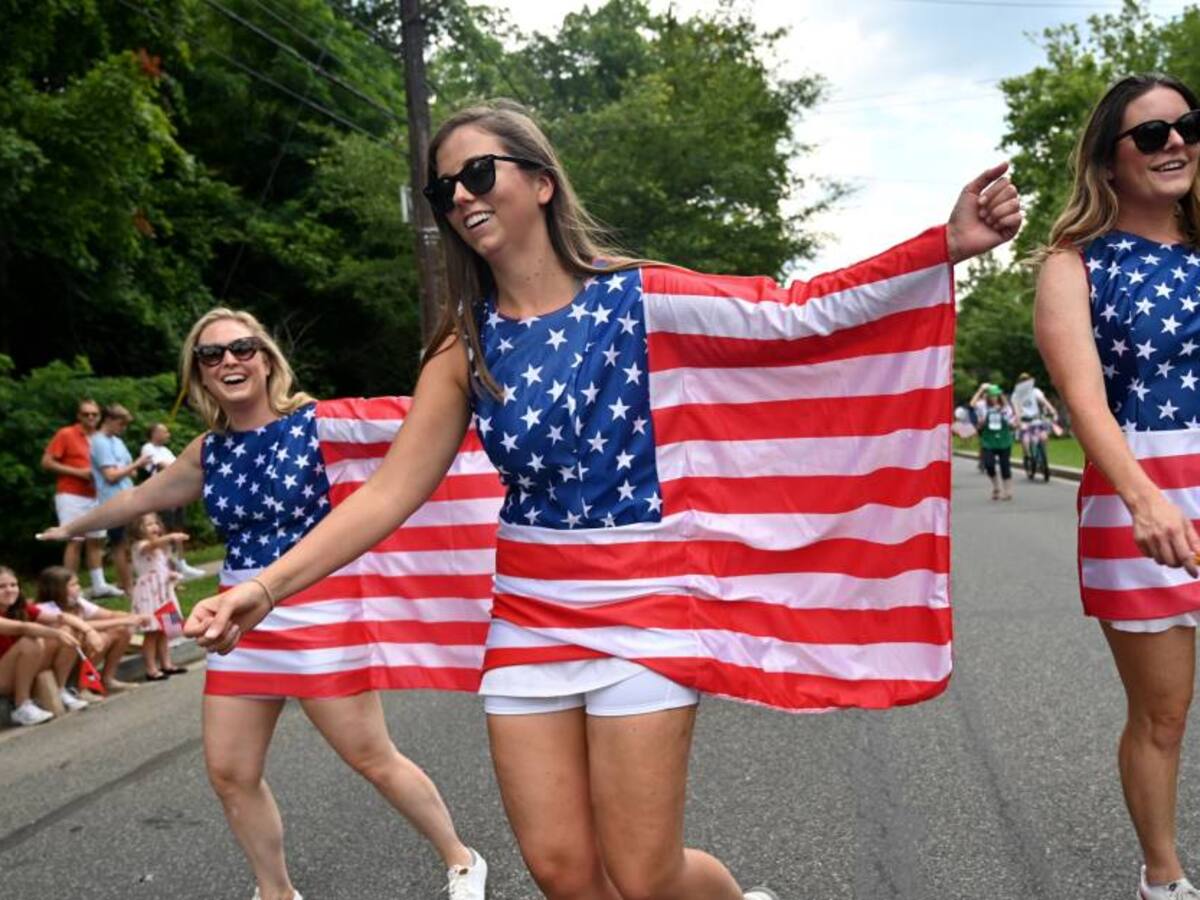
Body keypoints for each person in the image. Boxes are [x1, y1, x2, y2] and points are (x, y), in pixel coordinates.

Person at [184, 100, 1021, 900]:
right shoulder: (463, 343)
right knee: (563, 873)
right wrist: (263, 589)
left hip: (645, 607)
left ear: (542, 182)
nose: (462, 197)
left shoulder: (640, 297)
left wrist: (943, 245)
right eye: (444, 190)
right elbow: (390, 491)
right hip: (530, 615)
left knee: (645, 876)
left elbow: (794, 315)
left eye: (479, 174)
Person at [38, 311, 487, 900]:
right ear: (199, 374)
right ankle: (276, 891)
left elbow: (430, 420)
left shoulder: (320, 423)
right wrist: (69, 530)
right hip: (237, 622)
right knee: (230, 772)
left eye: (242, 348)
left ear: (267, 360)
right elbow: (138, 498)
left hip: (318, 609)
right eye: (212, 354)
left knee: (371, 757)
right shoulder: (208, 452)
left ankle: (461, 859)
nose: (229, 360)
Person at [1035, 73, 1200, 898]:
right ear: (1108, 161)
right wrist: (1144, 499)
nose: (1175, 143)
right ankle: (1162, 878)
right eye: (1150, 134)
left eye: (1188, 126)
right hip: (1144, 500)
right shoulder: (1074, 266)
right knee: (1163, 715)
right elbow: (1083, 401)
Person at [41, 399, 121, 598]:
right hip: (71, 494)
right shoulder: (66, 434)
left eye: (95, 414)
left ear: (100, 417)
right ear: (79, 416)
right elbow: (47, 462)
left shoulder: (101, 438)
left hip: (96, 494)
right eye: (86, 414)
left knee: (96, 539)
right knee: (75, 539)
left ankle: (99, 585)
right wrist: (79, 473)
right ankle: (68, 589)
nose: (91, 417)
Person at [35, 565, 141, 695]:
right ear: (57, 589)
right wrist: (124, 620)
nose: (78, 587)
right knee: (98, 638)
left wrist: (134, 617)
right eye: (73, 585)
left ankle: (107, 679)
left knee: (121, 630)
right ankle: (80, 687)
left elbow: (108, 614)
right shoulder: (45, 608)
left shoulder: (78, 602)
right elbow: (80, 625)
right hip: (58, 659)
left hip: (77, 652)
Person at [0, 566, 83, 726]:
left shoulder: (19, 608)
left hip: (13, 671)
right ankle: (21, 706)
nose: (9, 590)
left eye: (13, 585)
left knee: (68, 631)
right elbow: (23, 628)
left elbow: (61, 618)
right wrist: (56, 633)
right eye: (1, 586)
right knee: (31, 642)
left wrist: (88, 631)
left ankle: (61, 690)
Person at [90, 404, 150, 598]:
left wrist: (133, 467)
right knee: (120, 544)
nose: (123, 428)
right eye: (121, 424)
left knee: (137, 540)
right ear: (108, 420)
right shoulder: (99, 442)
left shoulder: (117, 441)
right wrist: (137, 463)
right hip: (113, 499)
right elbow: (110, 476)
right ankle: (127, 587)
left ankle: (143, 581)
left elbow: (130, 471)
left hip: (130, 495)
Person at [126, 512, 188, 681]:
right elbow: (150, 546)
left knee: (164, 630)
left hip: (163, 593)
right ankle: (151, 668)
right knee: (152, 632)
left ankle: (166, 663)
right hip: (149, 594)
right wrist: (170, 537)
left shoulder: (160, 548)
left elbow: (160, 567)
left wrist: (171, 577)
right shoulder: (139, 546)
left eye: (155, 523)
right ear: (137, 529)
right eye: (148, 525)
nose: (154, 527)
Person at [140, 422, 206, 581]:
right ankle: (168, 565)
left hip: (176, 492)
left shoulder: (166, 450)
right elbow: (163, 466)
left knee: (178, 527)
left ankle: (182, 563)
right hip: (161, 494)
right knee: (165, 529)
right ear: (154, 433)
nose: (167, 434)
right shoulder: (148, 448)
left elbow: (178, 467)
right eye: (164, 432)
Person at [970, 383, 1016, 499]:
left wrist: (1014, 423)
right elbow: (972, 404)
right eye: (991, 395)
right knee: (989, 465)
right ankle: (996, 487)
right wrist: (981, 390)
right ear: (987, 396)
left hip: (1004, 440)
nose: (993, 398)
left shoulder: (1005, 408)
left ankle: (1007, 491)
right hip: (988, 441)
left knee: (1005, 466)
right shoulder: (983, 406)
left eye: (995, 395)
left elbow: (1011, 422)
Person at [1011, 371, 1059, 465]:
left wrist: (1053, 411)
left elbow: (1044, 402)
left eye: (1027, 380)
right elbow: (1016, 410)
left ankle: (1042, 456)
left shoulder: (1035, 391)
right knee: (1026, 441)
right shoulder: (1016, 395)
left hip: (1036, 420)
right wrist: (1019, 423)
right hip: (1024, 421)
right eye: (1023, 381)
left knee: (1044, 437)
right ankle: (1027, 457)